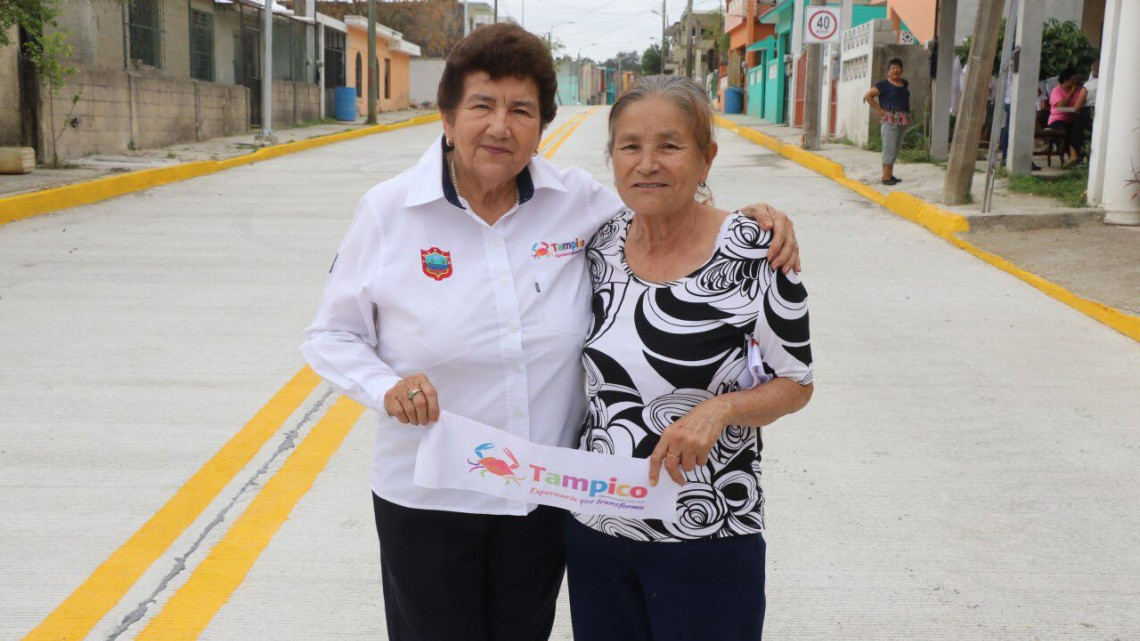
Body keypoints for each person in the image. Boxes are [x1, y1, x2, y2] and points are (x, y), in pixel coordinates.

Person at [300, 23, 801, 641]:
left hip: (540, 501)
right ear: (447, 116)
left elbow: (665, 205)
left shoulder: (579, 202)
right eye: (482, 106)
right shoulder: (388, 211)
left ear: (542, 126)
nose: (500, 127)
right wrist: (386, 387)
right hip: (426, 496)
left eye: (522, 111)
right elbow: (331, 335)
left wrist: (755, 219)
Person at [564, 75, 815, 641]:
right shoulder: (598, 244)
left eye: (669, 146)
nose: (648, 163)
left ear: (707, 158)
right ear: (613, 158)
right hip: (597, 528)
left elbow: (796, 383)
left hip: (709, 533)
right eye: (630, 146)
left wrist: (719, 411)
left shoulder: (756, 251)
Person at [864, 57, 911, 186]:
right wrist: (880, 110)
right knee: (888, 147)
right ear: (889, 71)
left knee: (896, 147)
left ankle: (890, 174)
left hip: (902, 118)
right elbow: (868, 96)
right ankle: (885, 177)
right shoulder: (883, 85)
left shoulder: (904, 83)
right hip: (890, 118)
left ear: (902, 70)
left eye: (898, 68)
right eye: (893, 68)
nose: (895, 70)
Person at [1046, 68, 1088, 166]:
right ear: (1066, 80)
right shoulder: (1057, 90)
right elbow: (1060, 107)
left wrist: (1076, 109)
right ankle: (1071, 156)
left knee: (1078, 131)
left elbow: (1080, 105)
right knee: (1066, 132)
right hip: (1059, 119)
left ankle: (1077, 157)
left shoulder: (1080, 91)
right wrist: (1071, 94)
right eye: (1073, 79)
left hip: (1073, 119)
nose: (1075, 82)